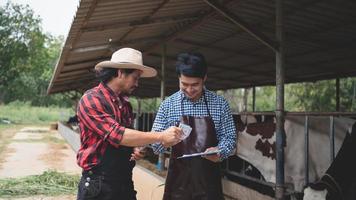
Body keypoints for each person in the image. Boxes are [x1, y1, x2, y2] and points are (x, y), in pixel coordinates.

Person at [76, 47, 182, 200]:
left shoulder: (125, 104)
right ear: (120, 72)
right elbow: (118, 135)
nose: (137, 83)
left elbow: (129, 137)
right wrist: (160, 136)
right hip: (99, 183)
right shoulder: (92, 99)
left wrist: (135, 147)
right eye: (135, 77)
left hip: (123, 180)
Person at [151, 52, 237, 200]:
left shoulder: (220, 104)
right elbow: (155, 145)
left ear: (204, 78)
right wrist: (164, 140)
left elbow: (230, 138)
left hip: (209, 184)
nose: (190, 90)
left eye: (195, 85)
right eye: (184, 84)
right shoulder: (168, 105)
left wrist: (220, 151)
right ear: (179, 78)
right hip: (178, 185)